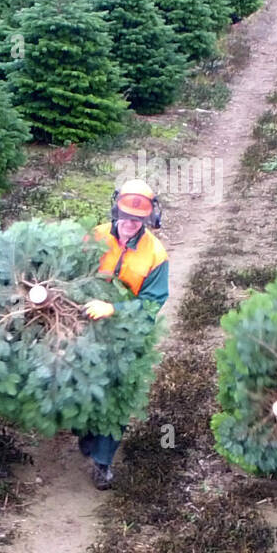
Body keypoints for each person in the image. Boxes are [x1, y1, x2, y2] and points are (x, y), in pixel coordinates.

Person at [77, 178, 169, 490]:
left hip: (127, 334)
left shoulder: (155, 255)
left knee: (118, 398)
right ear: (116, 211)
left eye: (138, 219)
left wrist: (115, 309)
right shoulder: (97, 236)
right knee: (84, 385)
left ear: (149, 219)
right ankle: (86, 432)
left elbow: (152, 304)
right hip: (87, 326)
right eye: (125, 216)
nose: (130, 224)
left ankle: (102, 464)